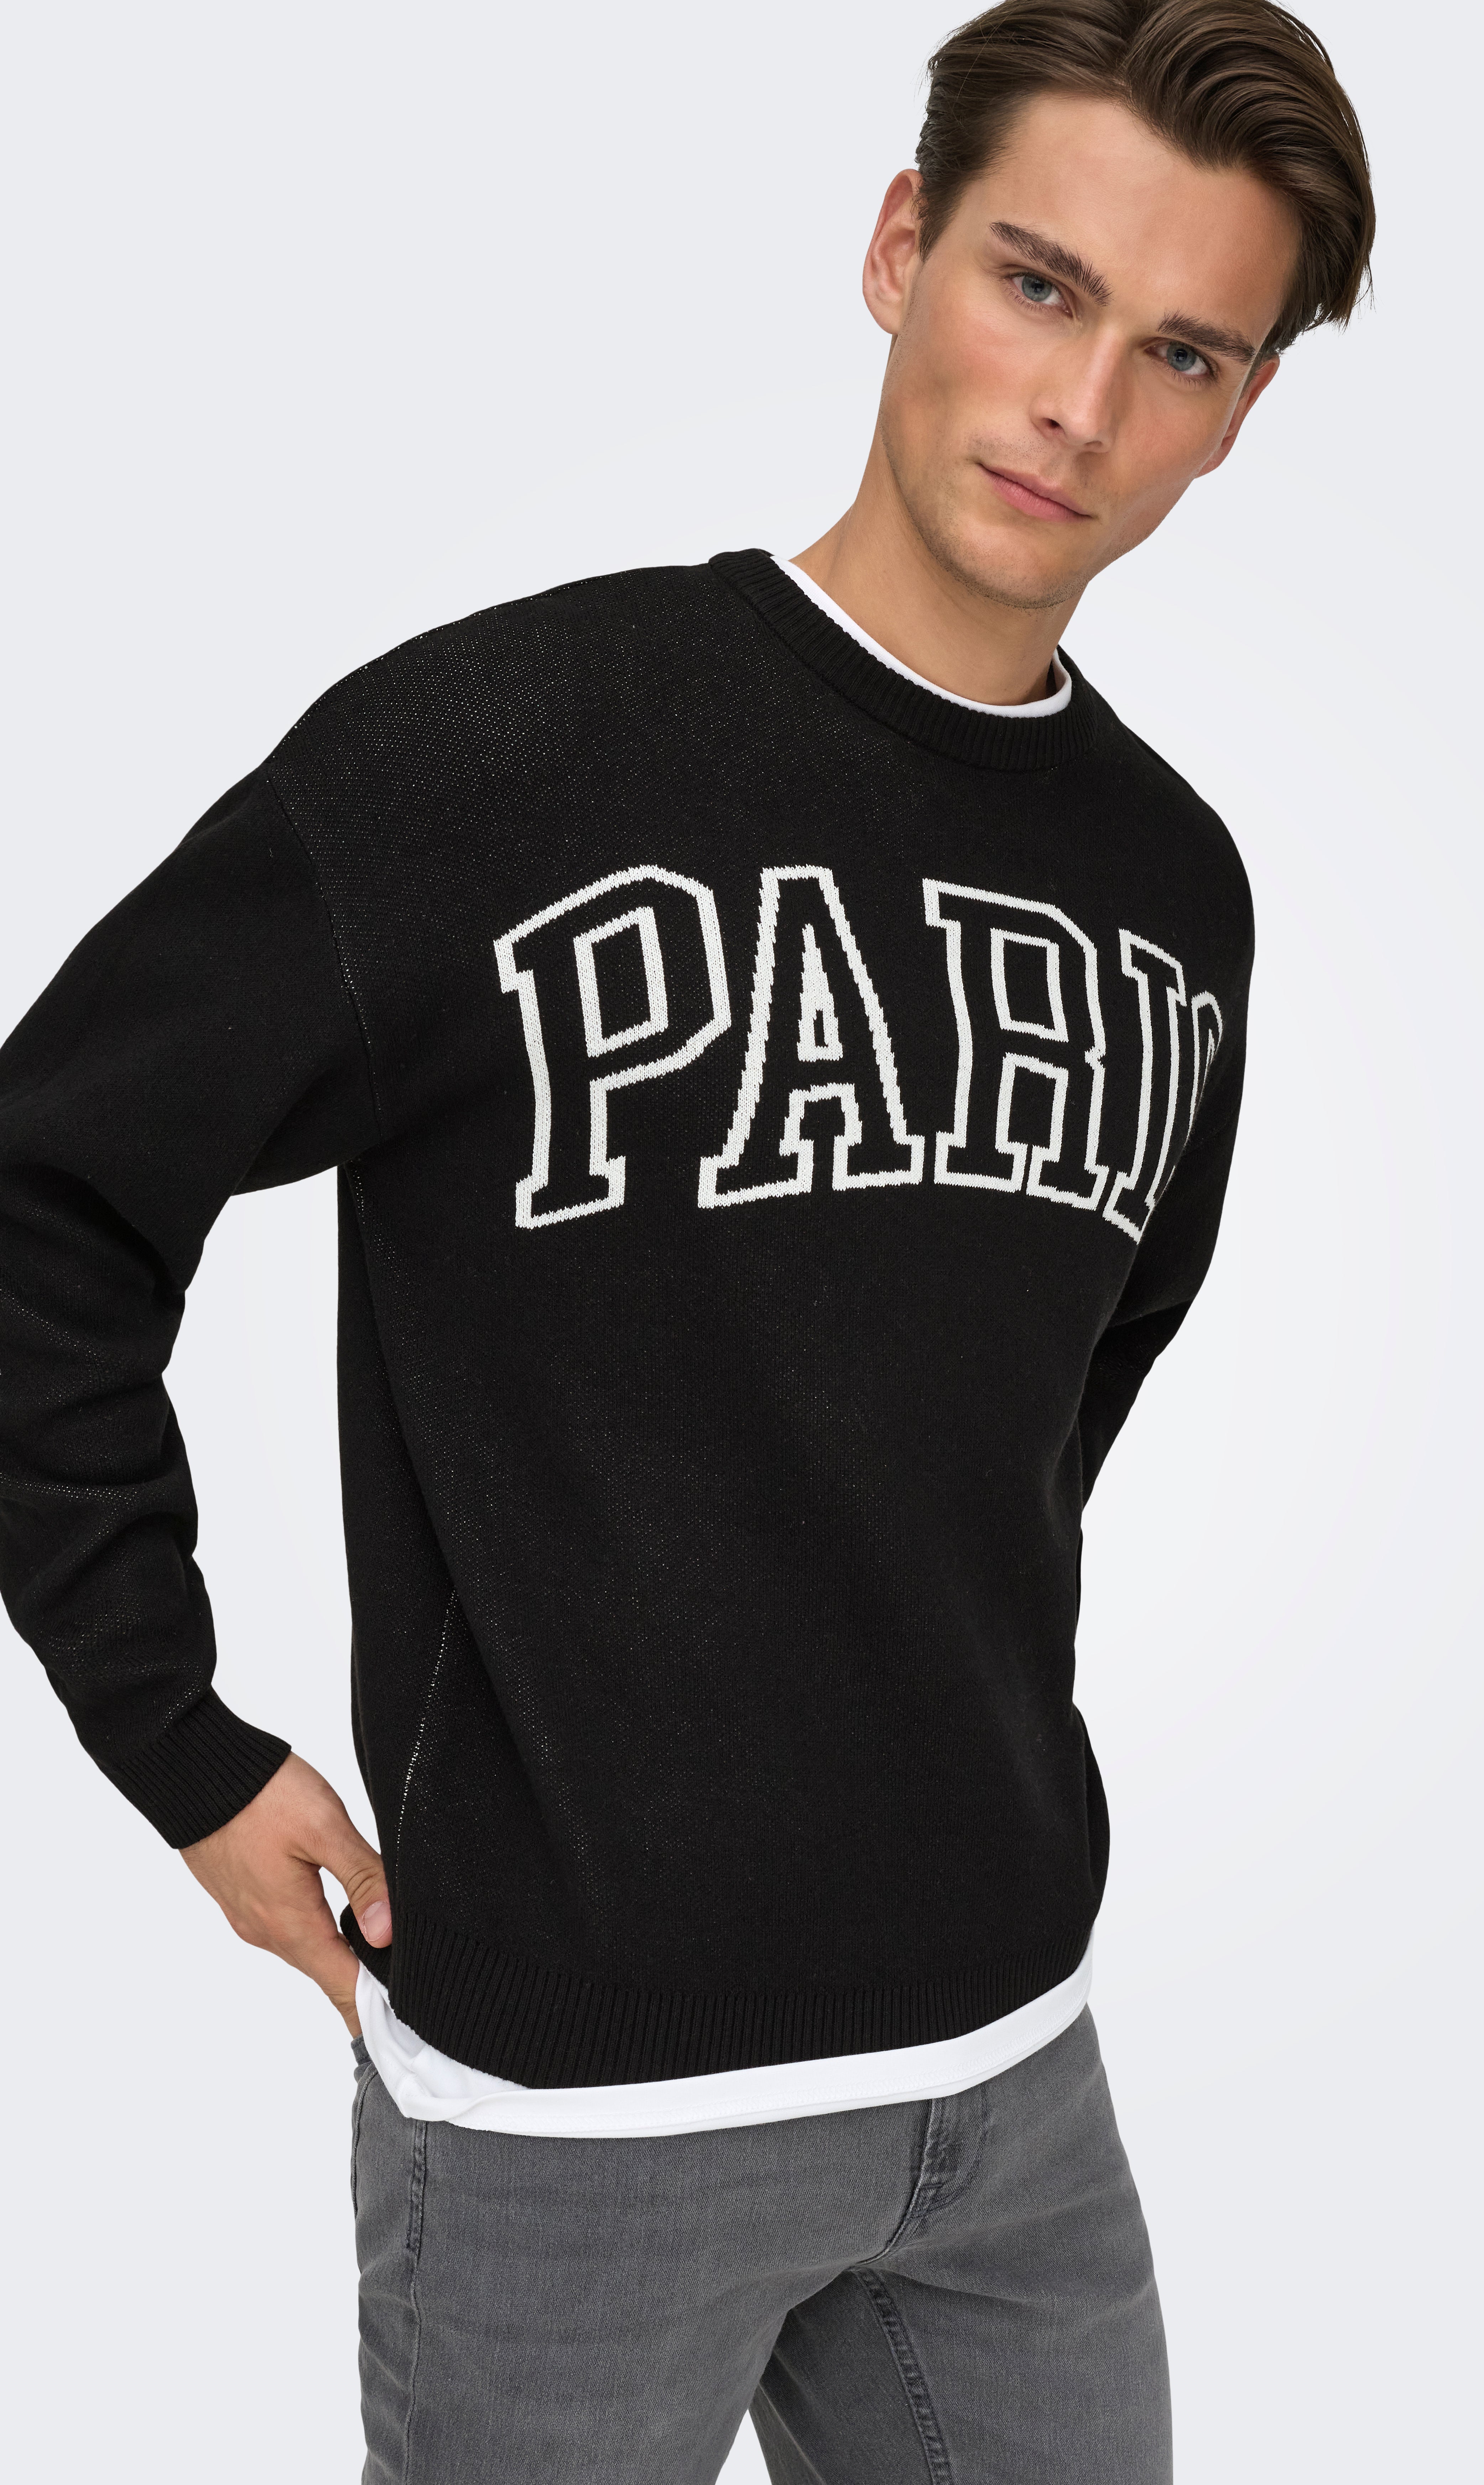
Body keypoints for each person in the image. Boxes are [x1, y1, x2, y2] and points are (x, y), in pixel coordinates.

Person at [0, 2, 1372, 2476]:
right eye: (1041, 285)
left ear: (1243, 410)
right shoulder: (487, 761)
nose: (1082, 406)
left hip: (1009, 2078)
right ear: (901, 247)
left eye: (1183, 352)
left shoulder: (1176, 890)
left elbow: (1063, 1390)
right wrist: (169, 1734)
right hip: (572, 2127)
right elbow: (42, 1197)